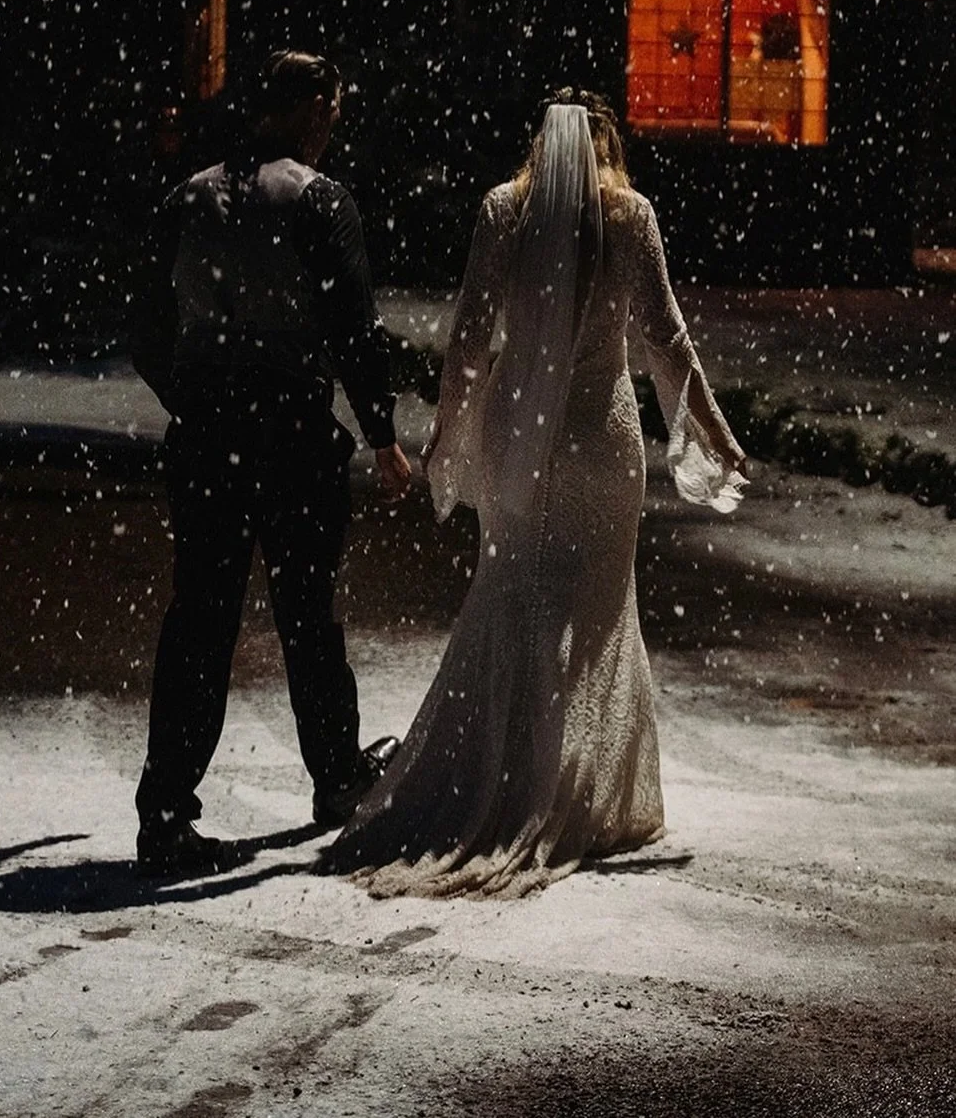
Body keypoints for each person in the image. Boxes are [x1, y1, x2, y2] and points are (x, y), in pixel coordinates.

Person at [318, 89, 747, 898]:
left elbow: (473, 335)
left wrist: (452, 426)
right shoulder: (630, 216)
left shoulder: (502, 211)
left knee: (512, 594)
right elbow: (664, 333)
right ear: (606, 143)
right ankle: (575, 791)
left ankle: (495, 773)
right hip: (600, 433)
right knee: (593, 606)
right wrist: (710, 429)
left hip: (522, 429)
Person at [131, 49, 412, 878]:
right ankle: (335, 776)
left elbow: (143, 321)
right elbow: (354, 329)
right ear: (307, 110)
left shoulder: (190, 197)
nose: (330, 130)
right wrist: (381, 431)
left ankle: (166, 811)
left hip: (210, 430)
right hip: (290, 428)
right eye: (327, 114)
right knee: (307, 611)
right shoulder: (320, 201)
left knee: (200, 619)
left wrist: (190, 396)